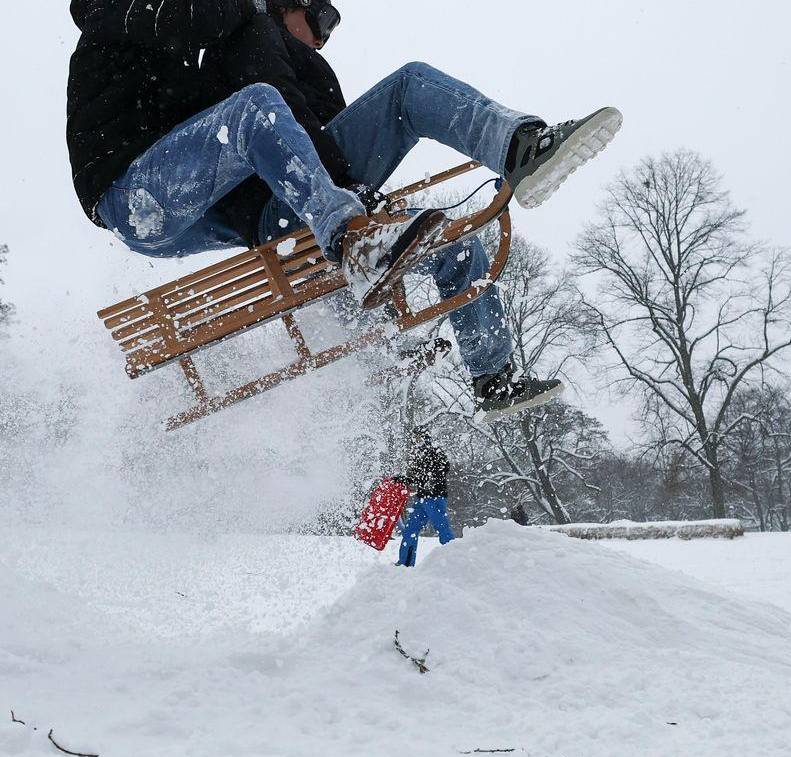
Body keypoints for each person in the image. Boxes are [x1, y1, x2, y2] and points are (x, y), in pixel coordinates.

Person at [66, 0, 620, 418]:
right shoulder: (183, 21)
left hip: (278, 199)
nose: (324, 35)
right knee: (260, 109)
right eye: (321, 16)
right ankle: (353, 239)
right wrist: (350, 202)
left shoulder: (260, 51)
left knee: (451, 229)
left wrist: (358, 197)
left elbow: (308, 133)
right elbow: (206, 38)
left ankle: (493, 372)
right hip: (137, 193)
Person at [395, 428, 453, 567]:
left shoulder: (435, 453)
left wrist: (429, 478)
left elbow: (444, 468)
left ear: (425, 438)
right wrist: (403, 479)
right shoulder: (419, 455)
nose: (416, 441)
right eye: (415, 438)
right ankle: (405, 564)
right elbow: (415, 477)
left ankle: (455, 560)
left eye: (419, 438)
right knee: (410, 530)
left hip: (435, 498)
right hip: (422, 500)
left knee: (442, 529)